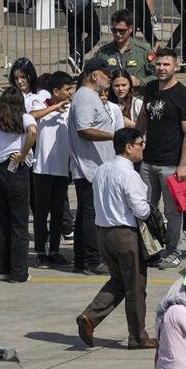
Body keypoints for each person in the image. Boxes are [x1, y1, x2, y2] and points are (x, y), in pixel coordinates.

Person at [76, 126, 154, 350]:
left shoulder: (102, 169)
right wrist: (150, 212)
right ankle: (138, 337)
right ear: (128, 148)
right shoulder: (129, 173)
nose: (142, 148)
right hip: (124, 235)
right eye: (140, 144)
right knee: (135, 288)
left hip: (104, 233)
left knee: (119, 281)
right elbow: (141, 210)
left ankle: (90, 317)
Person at [137, 49, 186, 269]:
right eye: (159, 64)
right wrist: (136, 139)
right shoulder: (151, 88)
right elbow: (144, 116)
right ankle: (150, 249)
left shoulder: (185, 96)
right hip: (148, 161)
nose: (161, 68)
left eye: (166, 65)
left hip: (171, 164)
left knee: (172, 211)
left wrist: (183, 165)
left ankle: (174, 250)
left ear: (176, 67)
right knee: (145, 207)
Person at [68, 59, 118, 276]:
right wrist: (114, 136)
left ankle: (81, 259)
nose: (110, 77)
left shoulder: (90, 97)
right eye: (105, 73)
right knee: (90, 214)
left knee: (85, 214)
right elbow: (84, 129)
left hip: (94, 166)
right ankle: (92, 260)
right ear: (93, 75)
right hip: (89, 167)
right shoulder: (86, 97)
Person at [0, 87, 38, 283]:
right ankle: (19, 272)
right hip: (18, 169)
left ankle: (4, 269)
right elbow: (33, 132)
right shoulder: (25, 118)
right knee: (19, 223)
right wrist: (24, 153)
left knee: (2, 222)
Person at [32, 72, 74, 268]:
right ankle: (41, 251)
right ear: (56, 91)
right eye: (67, 90)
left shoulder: (71, 110)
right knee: (41, 213)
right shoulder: (40, 103)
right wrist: (55, 108)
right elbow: (32, 117)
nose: (70, 93)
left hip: (61, 169)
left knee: (58, 212)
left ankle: (55, 250)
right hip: (42, 168)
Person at [95, 10, 153, 89]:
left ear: (130, 29)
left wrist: (140, 81)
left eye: (121, 31)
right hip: (112, 98)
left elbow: (157, 76)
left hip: (137, 97)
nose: (118, 34)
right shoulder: (103, 52)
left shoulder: (144, 50)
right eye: (114, 30)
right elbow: (93, 75)